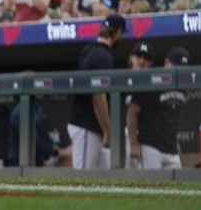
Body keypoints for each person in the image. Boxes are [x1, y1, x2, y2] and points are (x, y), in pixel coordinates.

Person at [67, 13, 126, 169]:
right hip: (86, 125)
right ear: (118, 32)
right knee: (82, 180)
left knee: (105, 178)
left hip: (89, 126)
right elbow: (98, 96)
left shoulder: (90, 49)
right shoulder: (103, 56)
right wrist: (108, 129)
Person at [127, 45, 190, 170]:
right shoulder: (152, 81)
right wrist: (134, 144)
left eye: (182, 68)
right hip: (150, 147)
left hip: (171, 149)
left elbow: (171, 116)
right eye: (175, 66)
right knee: (151, 187)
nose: (178, 71)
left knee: (176, 187)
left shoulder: (183, 88)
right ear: (166, 63)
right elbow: (132, 111)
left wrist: (175, 141)